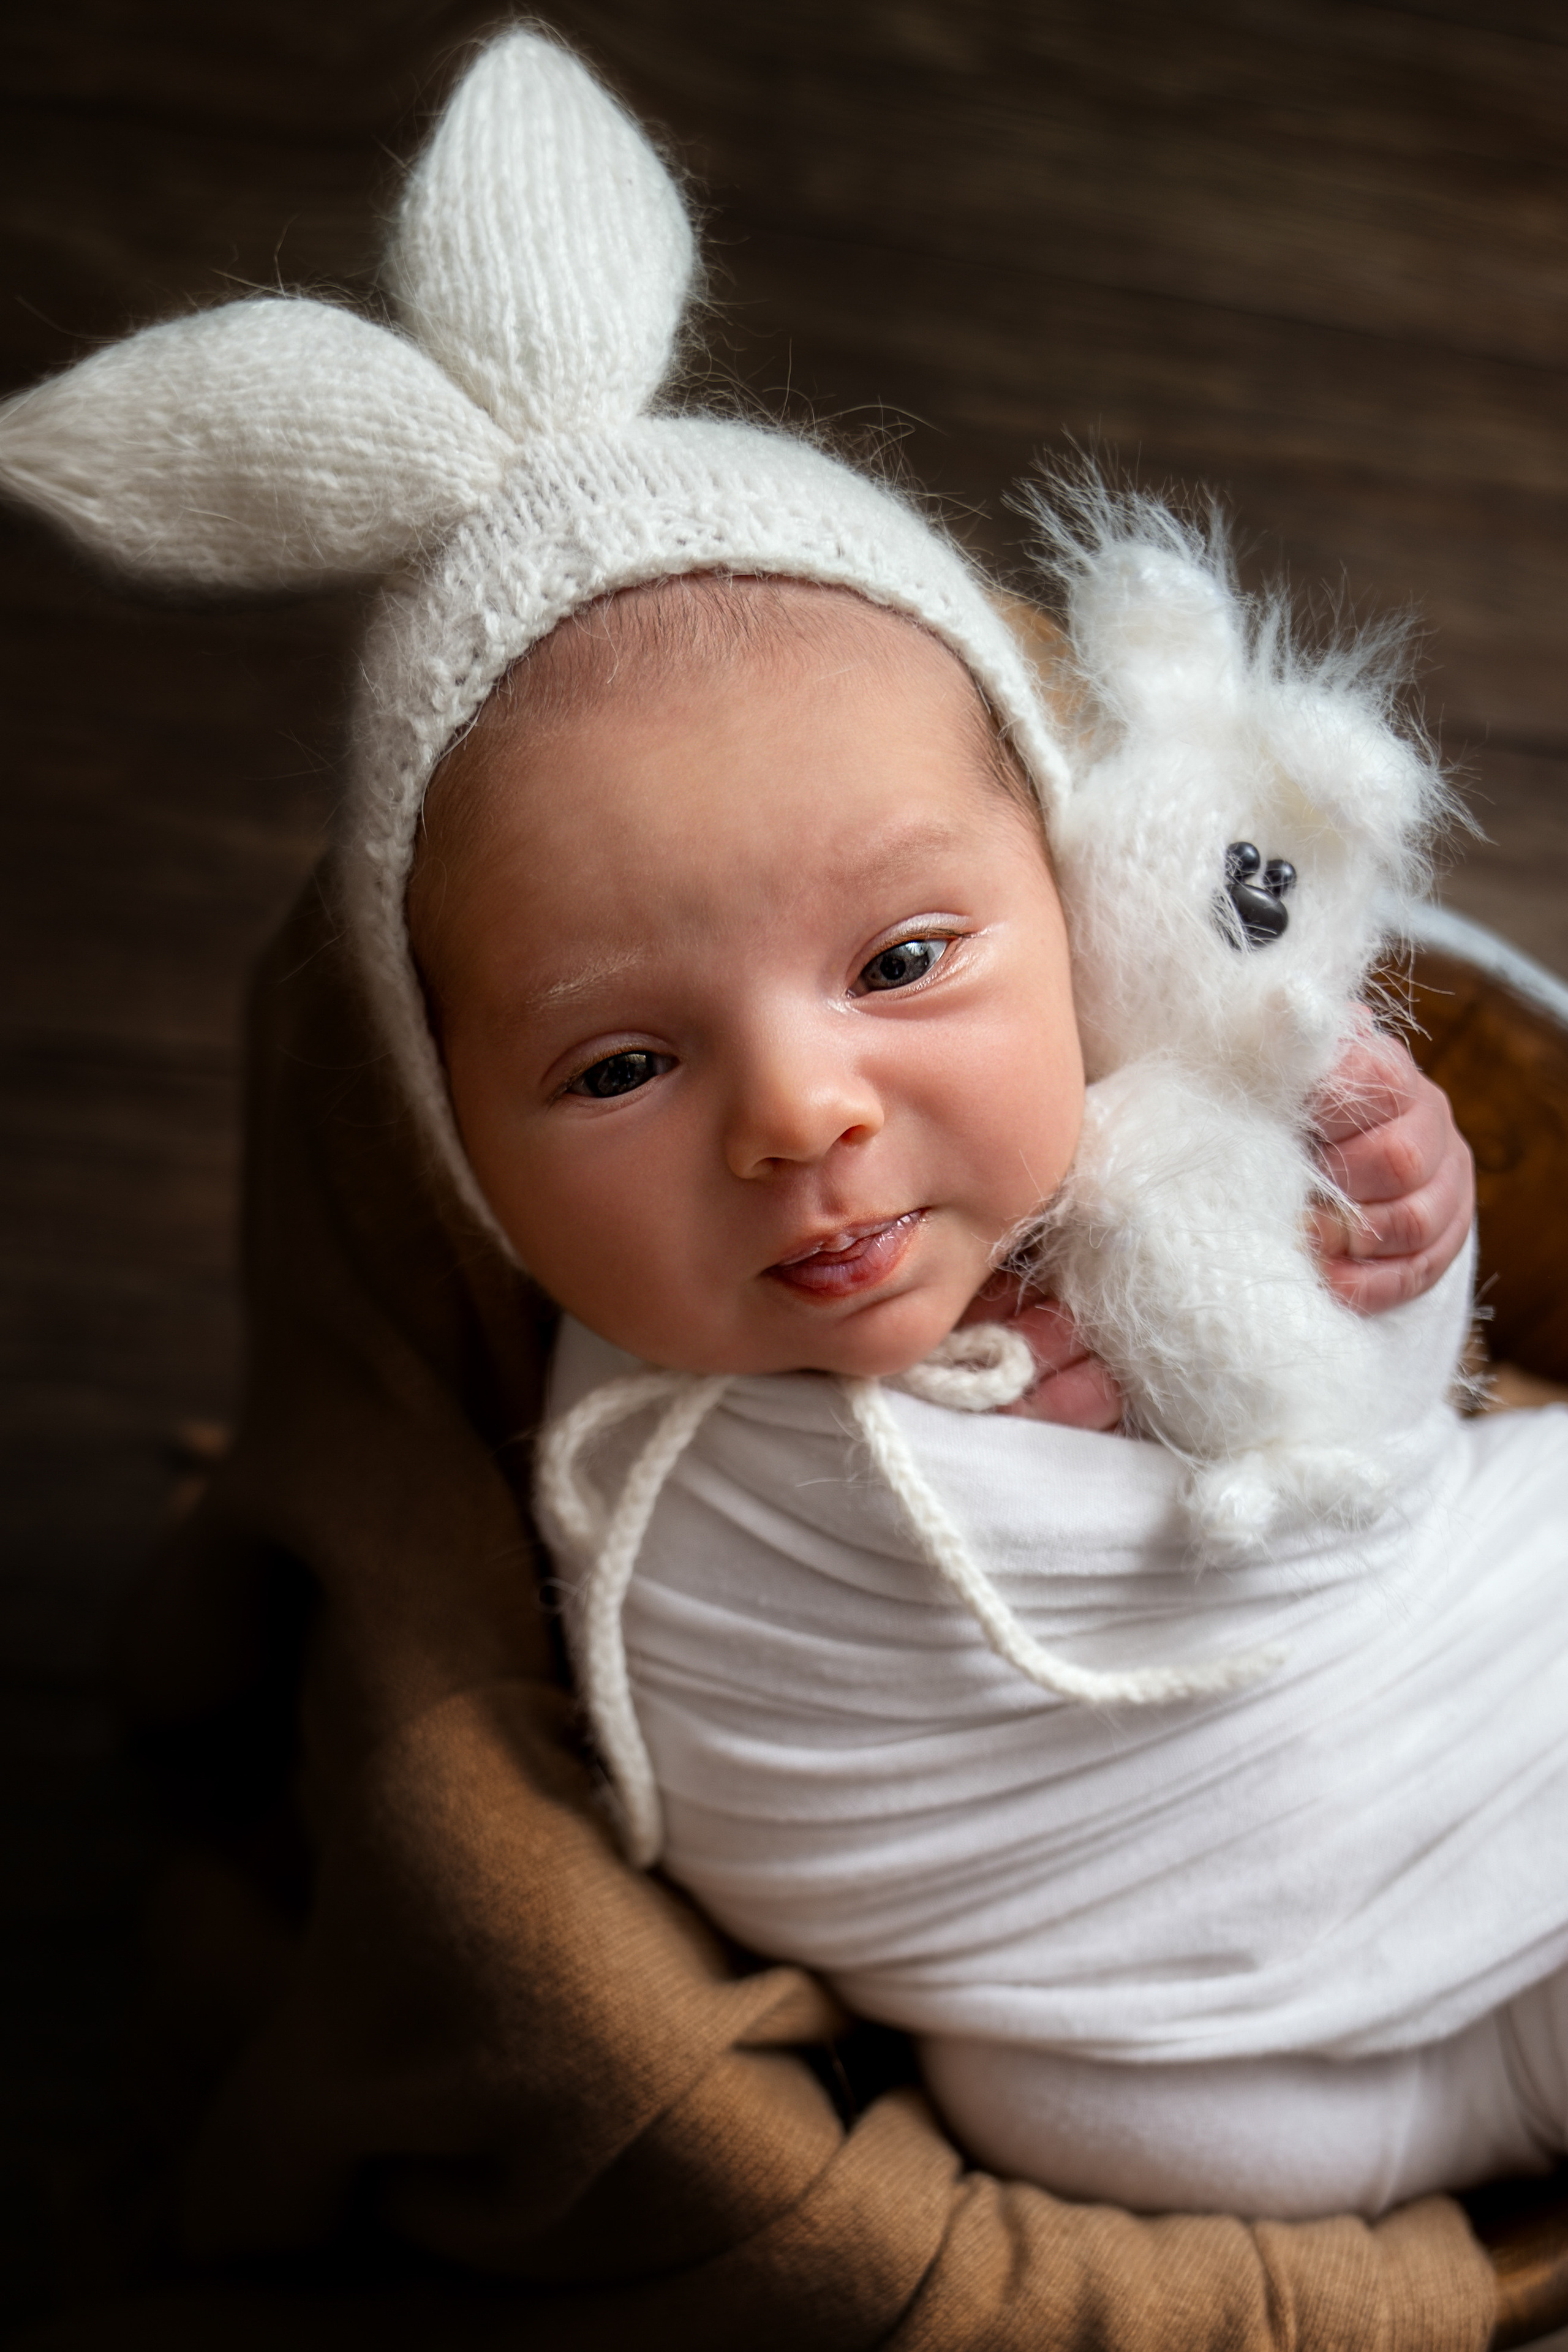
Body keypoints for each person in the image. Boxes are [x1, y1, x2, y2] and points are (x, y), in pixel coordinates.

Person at [0, 24, 1532, 2349]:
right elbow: (758, 1809)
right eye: (619, 1062)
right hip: (1134, 1977)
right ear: (462, 1153)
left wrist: (1397, 1250)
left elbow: (1395, 1453)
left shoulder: (1185, 1132)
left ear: (1072, 902)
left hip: (1442, 1693)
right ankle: (1490, 2080)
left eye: (906, 961)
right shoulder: (663, 1481)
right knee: (1097, 2120)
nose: (799, 1114)